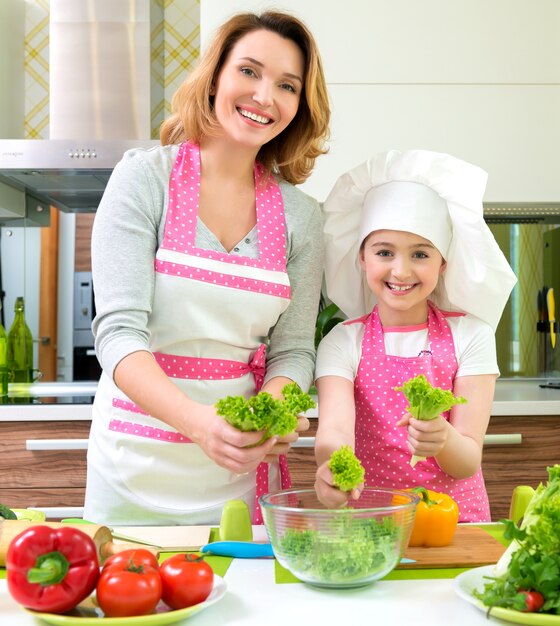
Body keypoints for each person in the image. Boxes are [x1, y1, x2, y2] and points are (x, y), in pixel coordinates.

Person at [84, 11, 331, 525]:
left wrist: (274, 413)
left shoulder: (302, 219)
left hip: (238, 477)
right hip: (132, 464)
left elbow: (293, 352)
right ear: (215, 75)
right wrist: (199, 424)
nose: (265, 96)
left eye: (287, 85)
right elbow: (119, 336)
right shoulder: (145, 180)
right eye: (249, 71)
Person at [314, 150, 517, 522]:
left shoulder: (471, 335)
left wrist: (443, 439)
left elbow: (467, 460)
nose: (401, 270)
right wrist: (331, 464)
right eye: (384, 252)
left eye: (420, 254)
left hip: (456, 526)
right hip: (374, 524)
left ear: (443, 264)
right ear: (362, 258)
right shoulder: (343, 342)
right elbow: (335, 428)